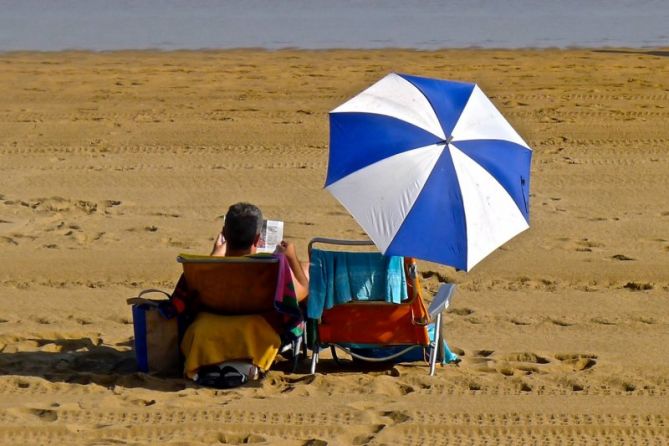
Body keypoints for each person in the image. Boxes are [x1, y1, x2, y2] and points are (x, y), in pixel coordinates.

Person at [165, 202, 308, 387]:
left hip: (209, 322)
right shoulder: (270, 268)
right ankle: (244, 365)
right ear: (258, 239)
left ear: (224, 233)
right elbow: (302, 293)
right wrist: (291, 257)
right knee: (306, 272)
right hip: (258, 324)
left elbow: (186, 298)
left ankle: (210, 364)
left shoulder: (202, 268)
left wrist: (214, 255)